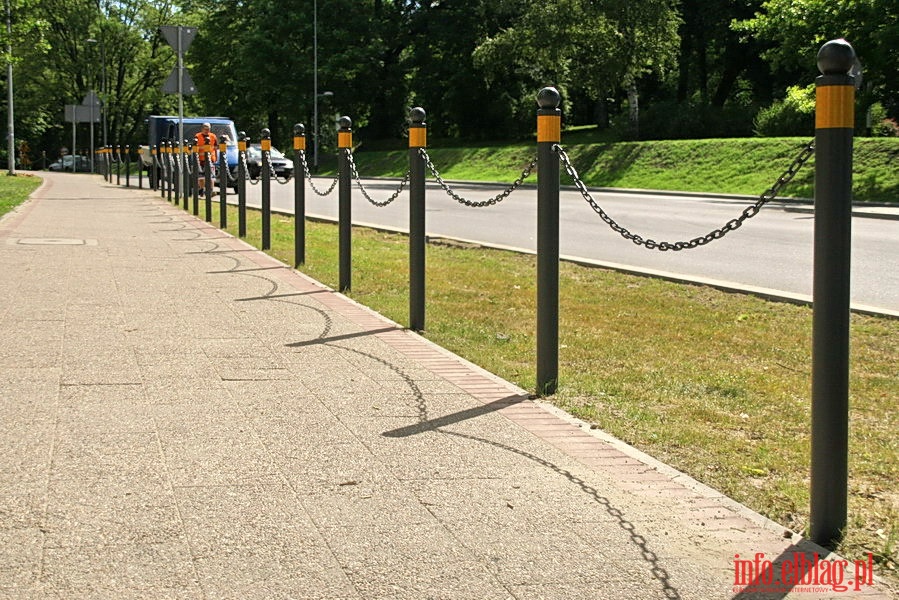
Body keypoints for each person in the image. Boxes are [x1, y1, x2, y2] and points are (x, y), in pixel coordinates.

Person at [194, 122, 218, 194]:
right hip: (200, 160)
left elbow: (215, 148)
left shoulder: (213, 136)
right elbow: (195, 147)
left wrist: (216, 157)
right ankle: (201, 190)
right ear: (202, 129)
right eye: (205, 129)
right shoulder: (197, 136)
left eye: (208, 129)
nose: (207, 130)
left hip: (211, 159)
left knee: (211, 176)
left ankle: (210, 191)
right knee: (201, 177)